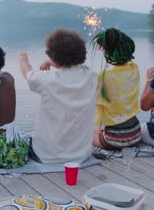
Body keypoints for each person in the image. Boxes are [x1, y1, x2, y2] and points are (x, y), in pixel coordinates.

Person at [17, 28, 97, 164]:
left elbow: (28, 73)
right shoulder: (90, 75)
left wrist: (23, 59)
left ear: (52, 55)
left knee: (23, 140)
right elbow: (70, 65)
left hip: (47, 155)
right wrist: (50, 62)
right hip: (82, 155)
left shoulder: (46, 79)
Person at [91, 28, 141, 149]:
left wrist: (95, 131)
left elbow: (97, 107)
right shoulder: (134, 68)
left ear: (108, 52)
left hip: (114, 139)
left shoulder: (102, 76)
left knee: (86, 135)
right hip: (136, 133)